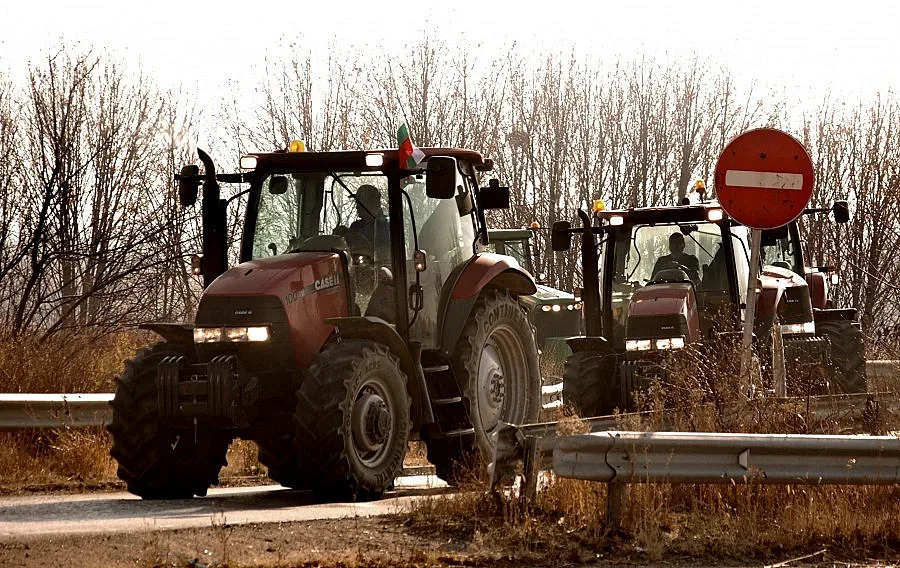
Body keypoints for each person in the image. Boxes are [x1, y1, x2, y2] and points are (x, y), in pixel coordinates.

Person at [334, 184, 390, 260]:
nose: (356, 207)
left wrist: (353, 236)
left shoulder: (386, 226)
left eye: (359, 202)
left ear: (372, 202)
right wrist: (340, 238)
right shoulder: (355, 226)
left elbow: (382, 254)